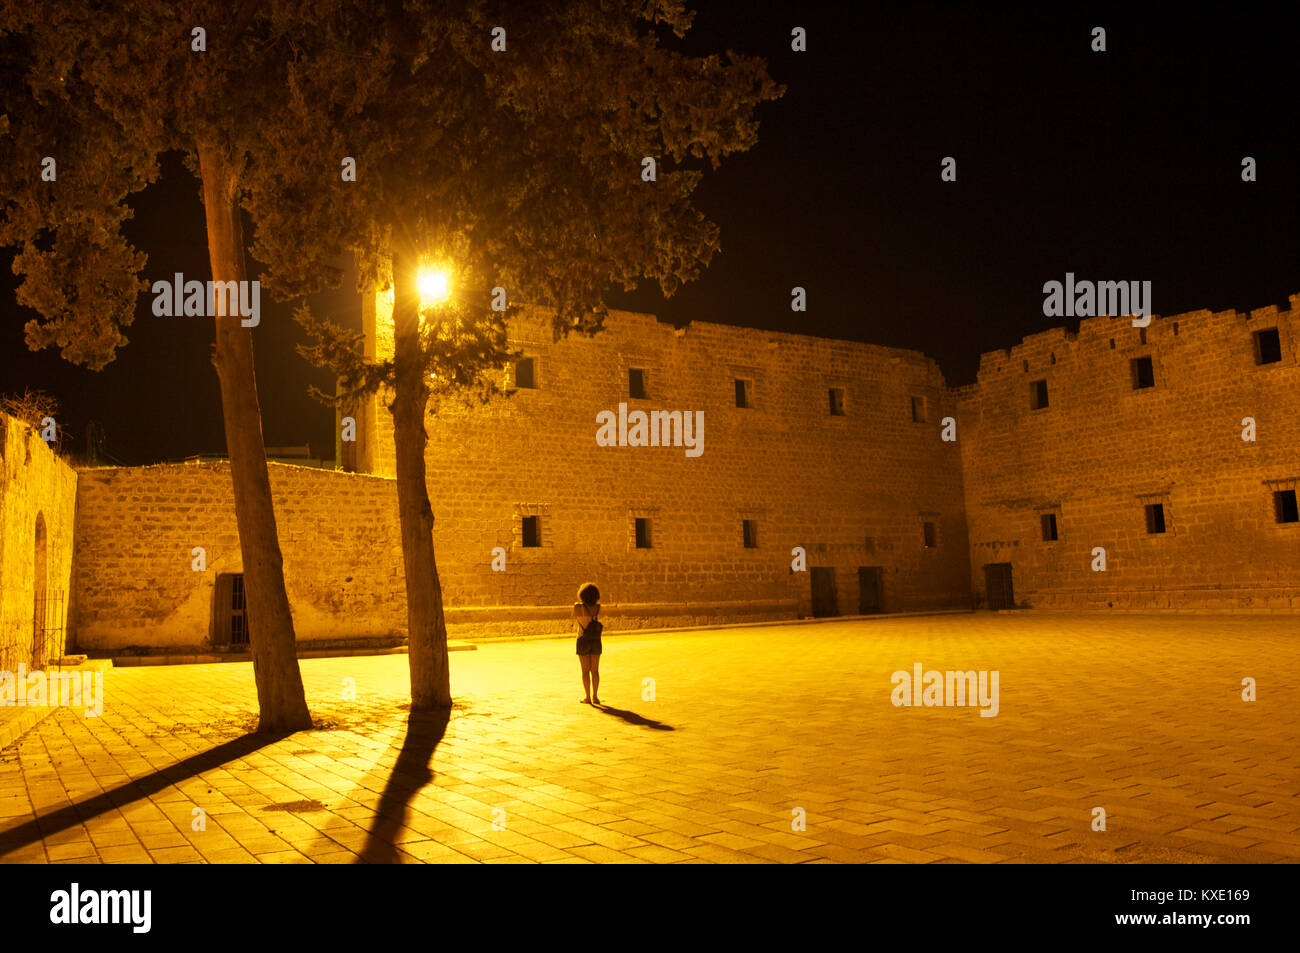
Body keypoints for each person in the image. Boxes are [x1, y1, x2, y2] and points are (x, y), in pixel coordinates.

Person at [573, 582, 603, 705]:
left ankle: (587, 697)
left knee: (585, 671)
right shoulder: (598, 608)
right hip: (596, 640)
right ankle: (595, 696)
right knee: (595, 671)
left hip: (582, 640)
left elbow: (574, 618)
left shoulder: (577, 607)